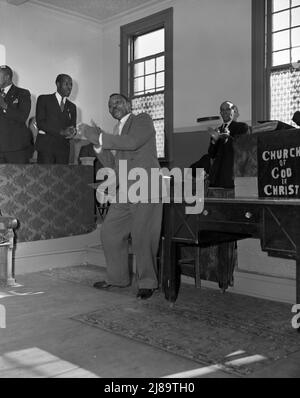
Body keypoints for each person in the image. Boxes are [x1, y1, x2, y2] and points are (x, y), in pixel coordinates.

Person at [78, 93, 163, 300]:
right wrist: (98, 145)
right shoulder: (116, 132)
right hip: (126, 189)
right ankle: (118, 279)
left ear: (128, 104)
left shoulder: (142, 120)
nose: (113, 106)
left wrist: (95, 135)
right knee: (110, 232)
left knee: (143, 237)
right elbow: (114, 165)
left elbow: (132, 143)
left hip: (146, 185)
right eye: (109, 105)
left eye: (117, 102)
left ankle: (148, 282)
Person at [201, 101, 249, 292]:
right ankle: (215, 271)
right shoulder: (218, 129)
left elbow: (244, 149)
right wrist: (214, 139)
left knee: (230, 226)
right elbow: (210, 153)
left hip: (232, 180)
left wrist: (227, 137)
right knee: (215, 224)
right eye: (221, 110)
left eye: (227, 109)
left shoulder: (241, 127)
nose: (224, 112)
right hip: (216, 179)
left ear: (235, 112)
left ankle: (228, 270)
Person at [35, 74, 77, 164]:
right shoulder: (43, 99)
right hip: (46, 147)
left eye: (71, 84)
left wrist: (73, 132)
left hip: (63, 150)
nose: (70, 87)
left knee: (61, 177)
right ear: (58, 84)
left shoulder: (72, 107)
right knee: (45, 177)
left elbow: (72, 127)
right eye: (66, 84)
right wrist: (61, 132)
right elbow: (41, 123)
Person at [0, 65, 32, 163]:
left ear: (7, 77)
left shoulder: (23, 93)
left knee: (19, 178)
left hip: (15, 148)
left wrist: (5, 105)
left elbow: (22, 117)